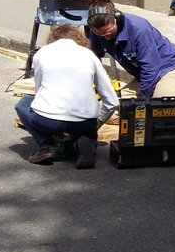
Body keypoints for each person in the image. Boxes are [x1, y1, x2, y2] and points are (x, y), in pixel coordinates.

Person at [16, 25, 119, 169]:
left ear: (53, 39)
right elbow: (112, 102)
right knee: (87, 132)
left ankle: (44, 146)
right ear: (80, 40)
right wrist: (96, 124)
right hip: (84, 120)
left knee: (23, 104)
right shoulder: (89, 55)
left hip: (48, 118)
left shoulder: (42, 53)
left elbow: (39, 93)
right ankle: (88, 144)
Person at [86, 0, 175, 99]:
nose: (106, 37)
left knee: (160, 108)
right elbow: (94, 58)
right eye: (101, 34)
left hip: (167, 69)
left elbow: (150, 69)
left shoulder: (139, 29)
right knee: (112, 109)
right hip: (142, 76)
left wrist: (141, 103)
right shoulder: (96, 32)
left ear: (117, 19)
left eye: (110, 32)